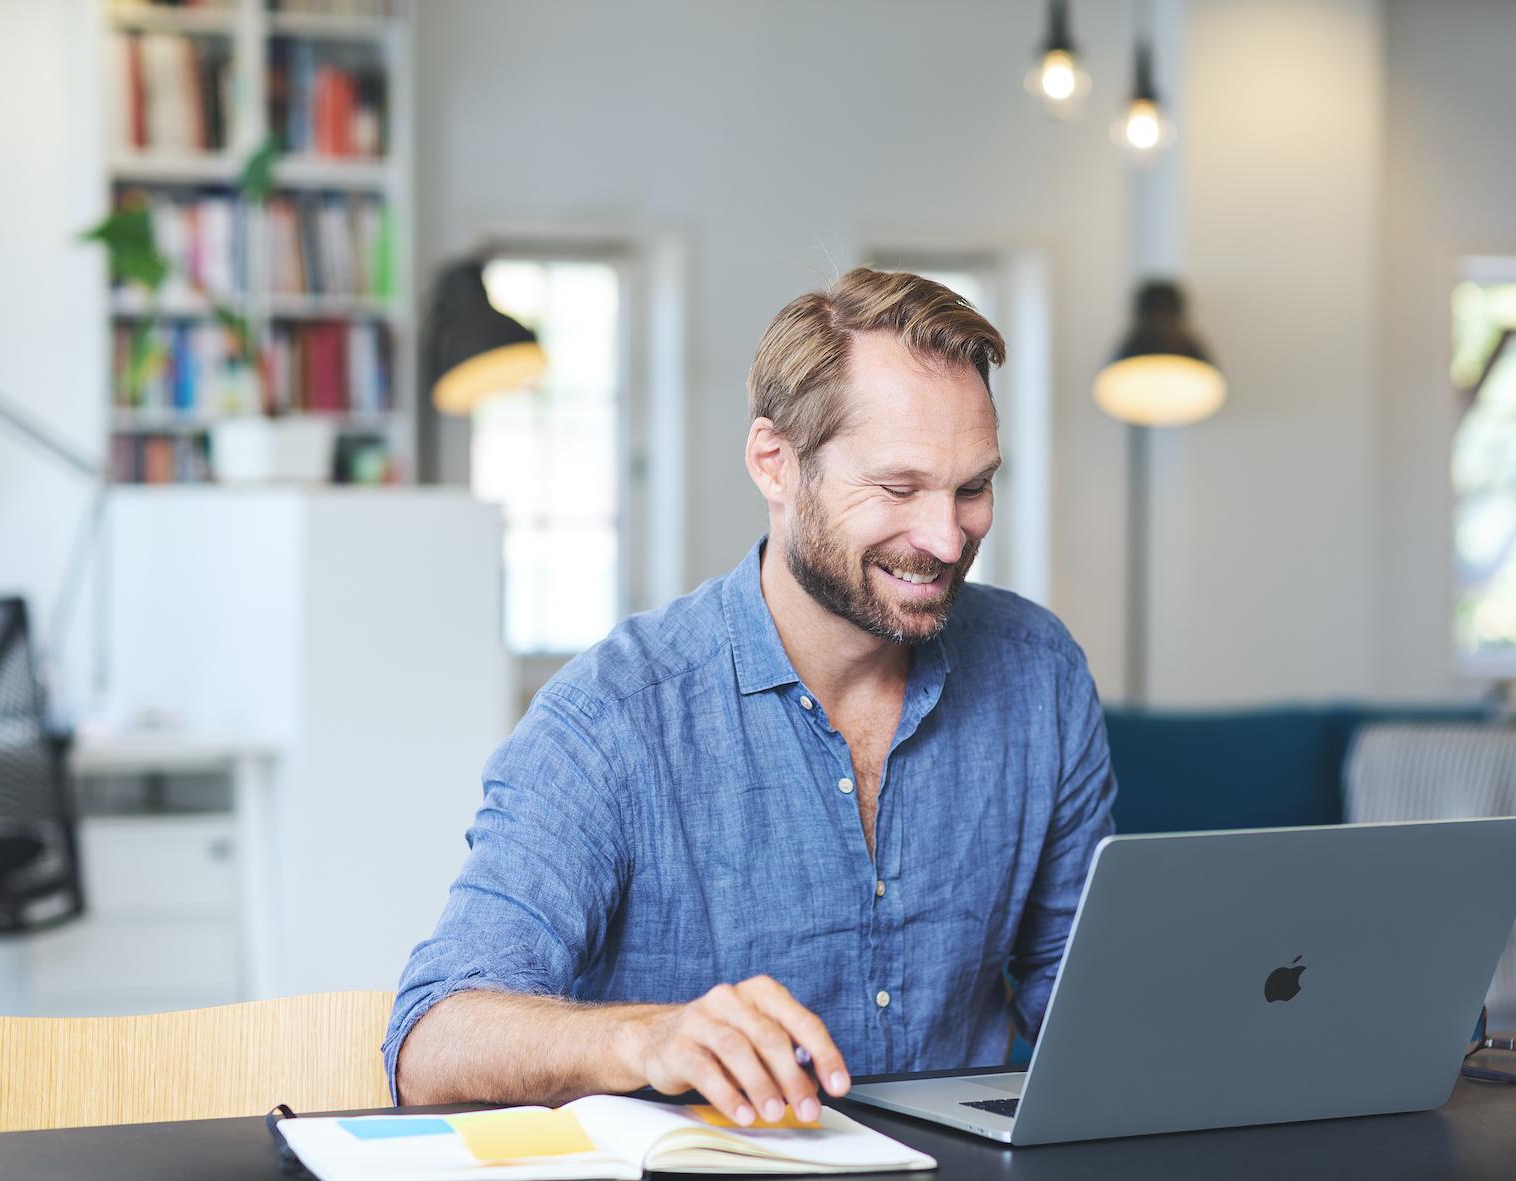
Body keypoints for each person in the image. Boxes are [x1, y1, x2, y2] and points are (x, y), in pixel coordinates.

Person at [388, 267, 1116, 1129]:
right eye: (897, 488)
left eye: (972, 488)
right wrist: (646, 1039)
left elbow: (1085, 999)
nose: (945, 536)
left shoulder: (1041, 673)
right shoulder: (613, 715)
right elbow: (432, 1040)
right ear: (776, 462)